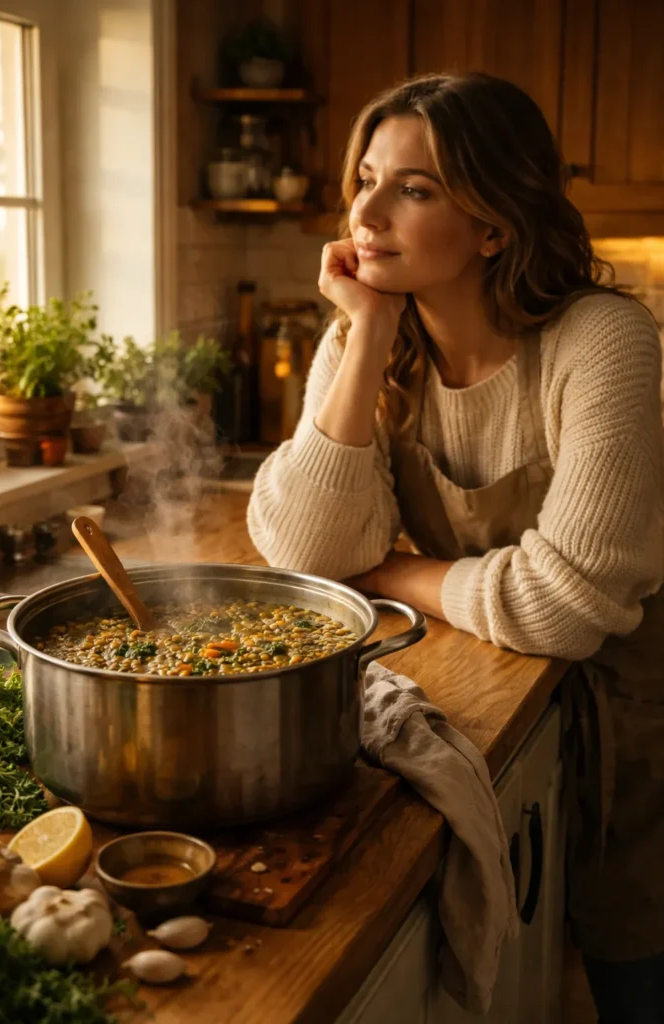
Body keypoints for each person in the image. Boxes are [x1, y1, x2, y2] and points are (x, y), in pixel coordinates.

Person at [246, 72, 664, 1023]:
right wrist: (367, 332)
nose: (365, 209)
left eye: (415, 188)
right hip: (510, 685)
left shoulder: (601, 339)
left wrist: (387, 574)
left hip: (639, 711)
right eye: (365, 176)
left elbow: (566, 603)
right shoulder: (367, 338)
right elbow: (308, 552)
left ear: (494, 226)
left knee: (635, 980)